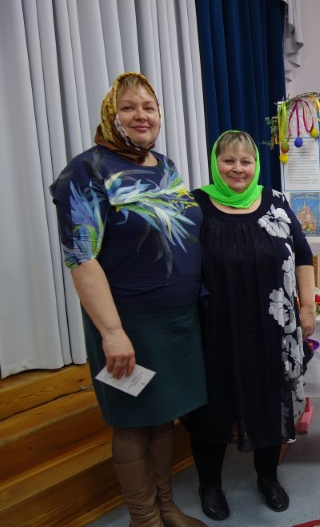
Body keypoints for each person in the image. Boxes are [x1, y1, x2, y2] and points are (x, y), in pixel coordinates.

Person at [50, 72, 207, 527]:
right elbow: (81, 258)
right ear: (110, 115)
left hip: (177, 317)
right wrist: (113, 332)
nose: (141, 115)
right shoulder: (87, 171)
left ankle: (166, 506)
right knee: (133, 417)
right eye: (129, 107)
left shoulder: (165, 165)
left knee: (163, 415)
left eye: (149, 107)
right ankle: (145, 518)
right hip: (128, 321)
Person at [184, 130, 315, 521]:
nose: (237, 168)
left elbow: (303, 255)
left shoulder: (276, 202)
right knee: (212, 409)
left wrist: (308, 307)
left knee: (269, 401)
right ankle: (210, 484)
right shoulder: (195, 206)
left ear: (256, 165)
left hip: (271, 329)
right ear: (215, 163)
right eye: (228, 160)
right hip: (214, 330)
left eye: (246, 161)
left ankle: (267, 478)